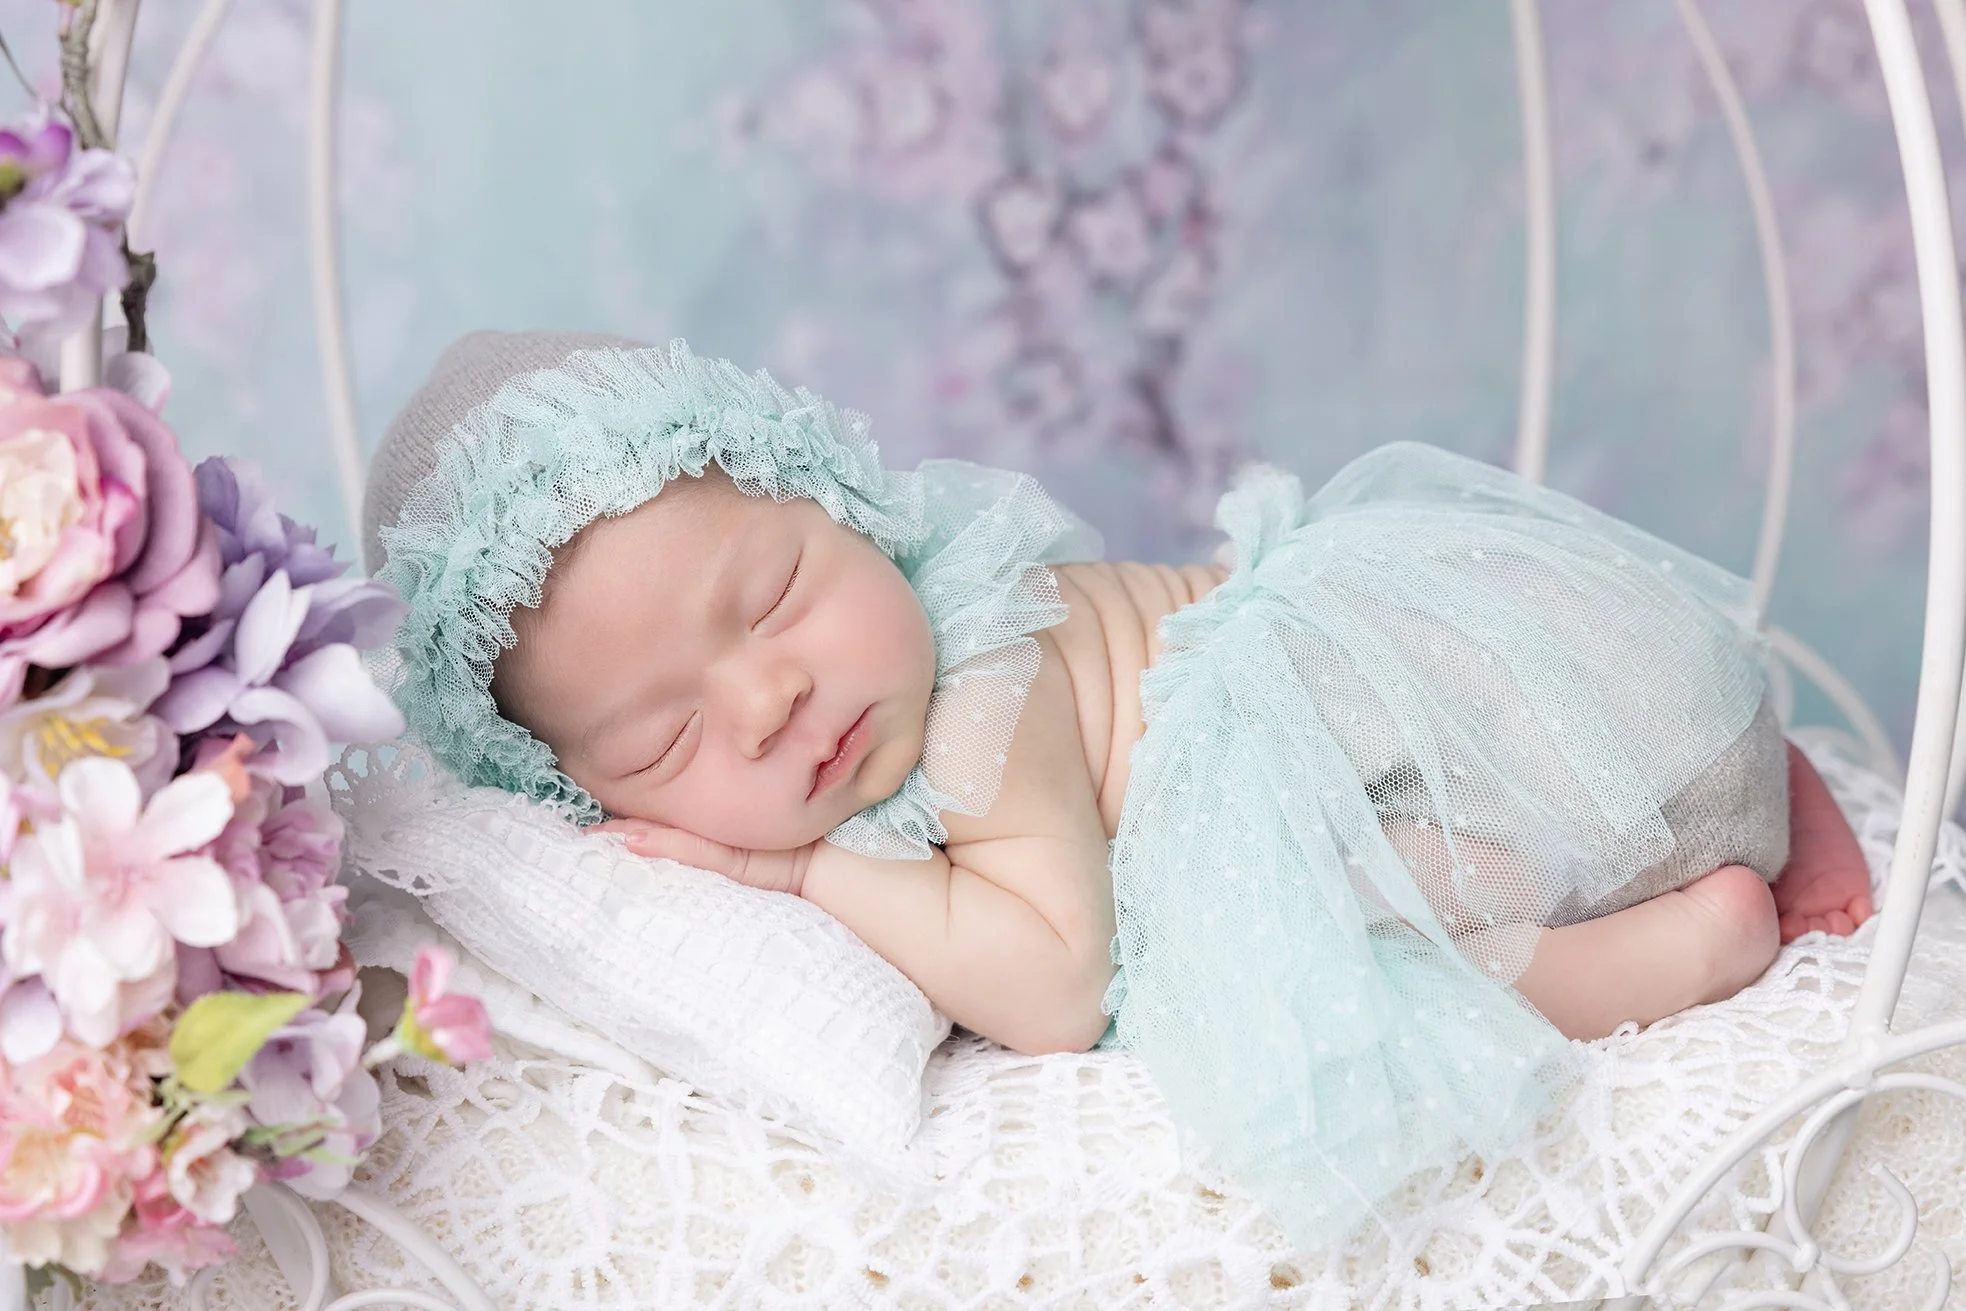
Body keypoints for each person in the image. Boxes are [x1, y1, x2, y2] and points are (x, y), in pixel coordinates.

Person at [366, 332, 1874, 1247]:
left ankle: (1686, 939)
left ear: (838, 500)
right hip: (1597, 678)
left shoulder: (978, 700)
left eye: (770, 598)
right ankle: (1760, 772)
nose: (769, 704)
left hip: (1579, 744)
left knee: (1280, 945)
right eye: (663, 747)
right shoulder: (926, 620)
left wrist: (800, 874)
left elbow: (1052, 986)